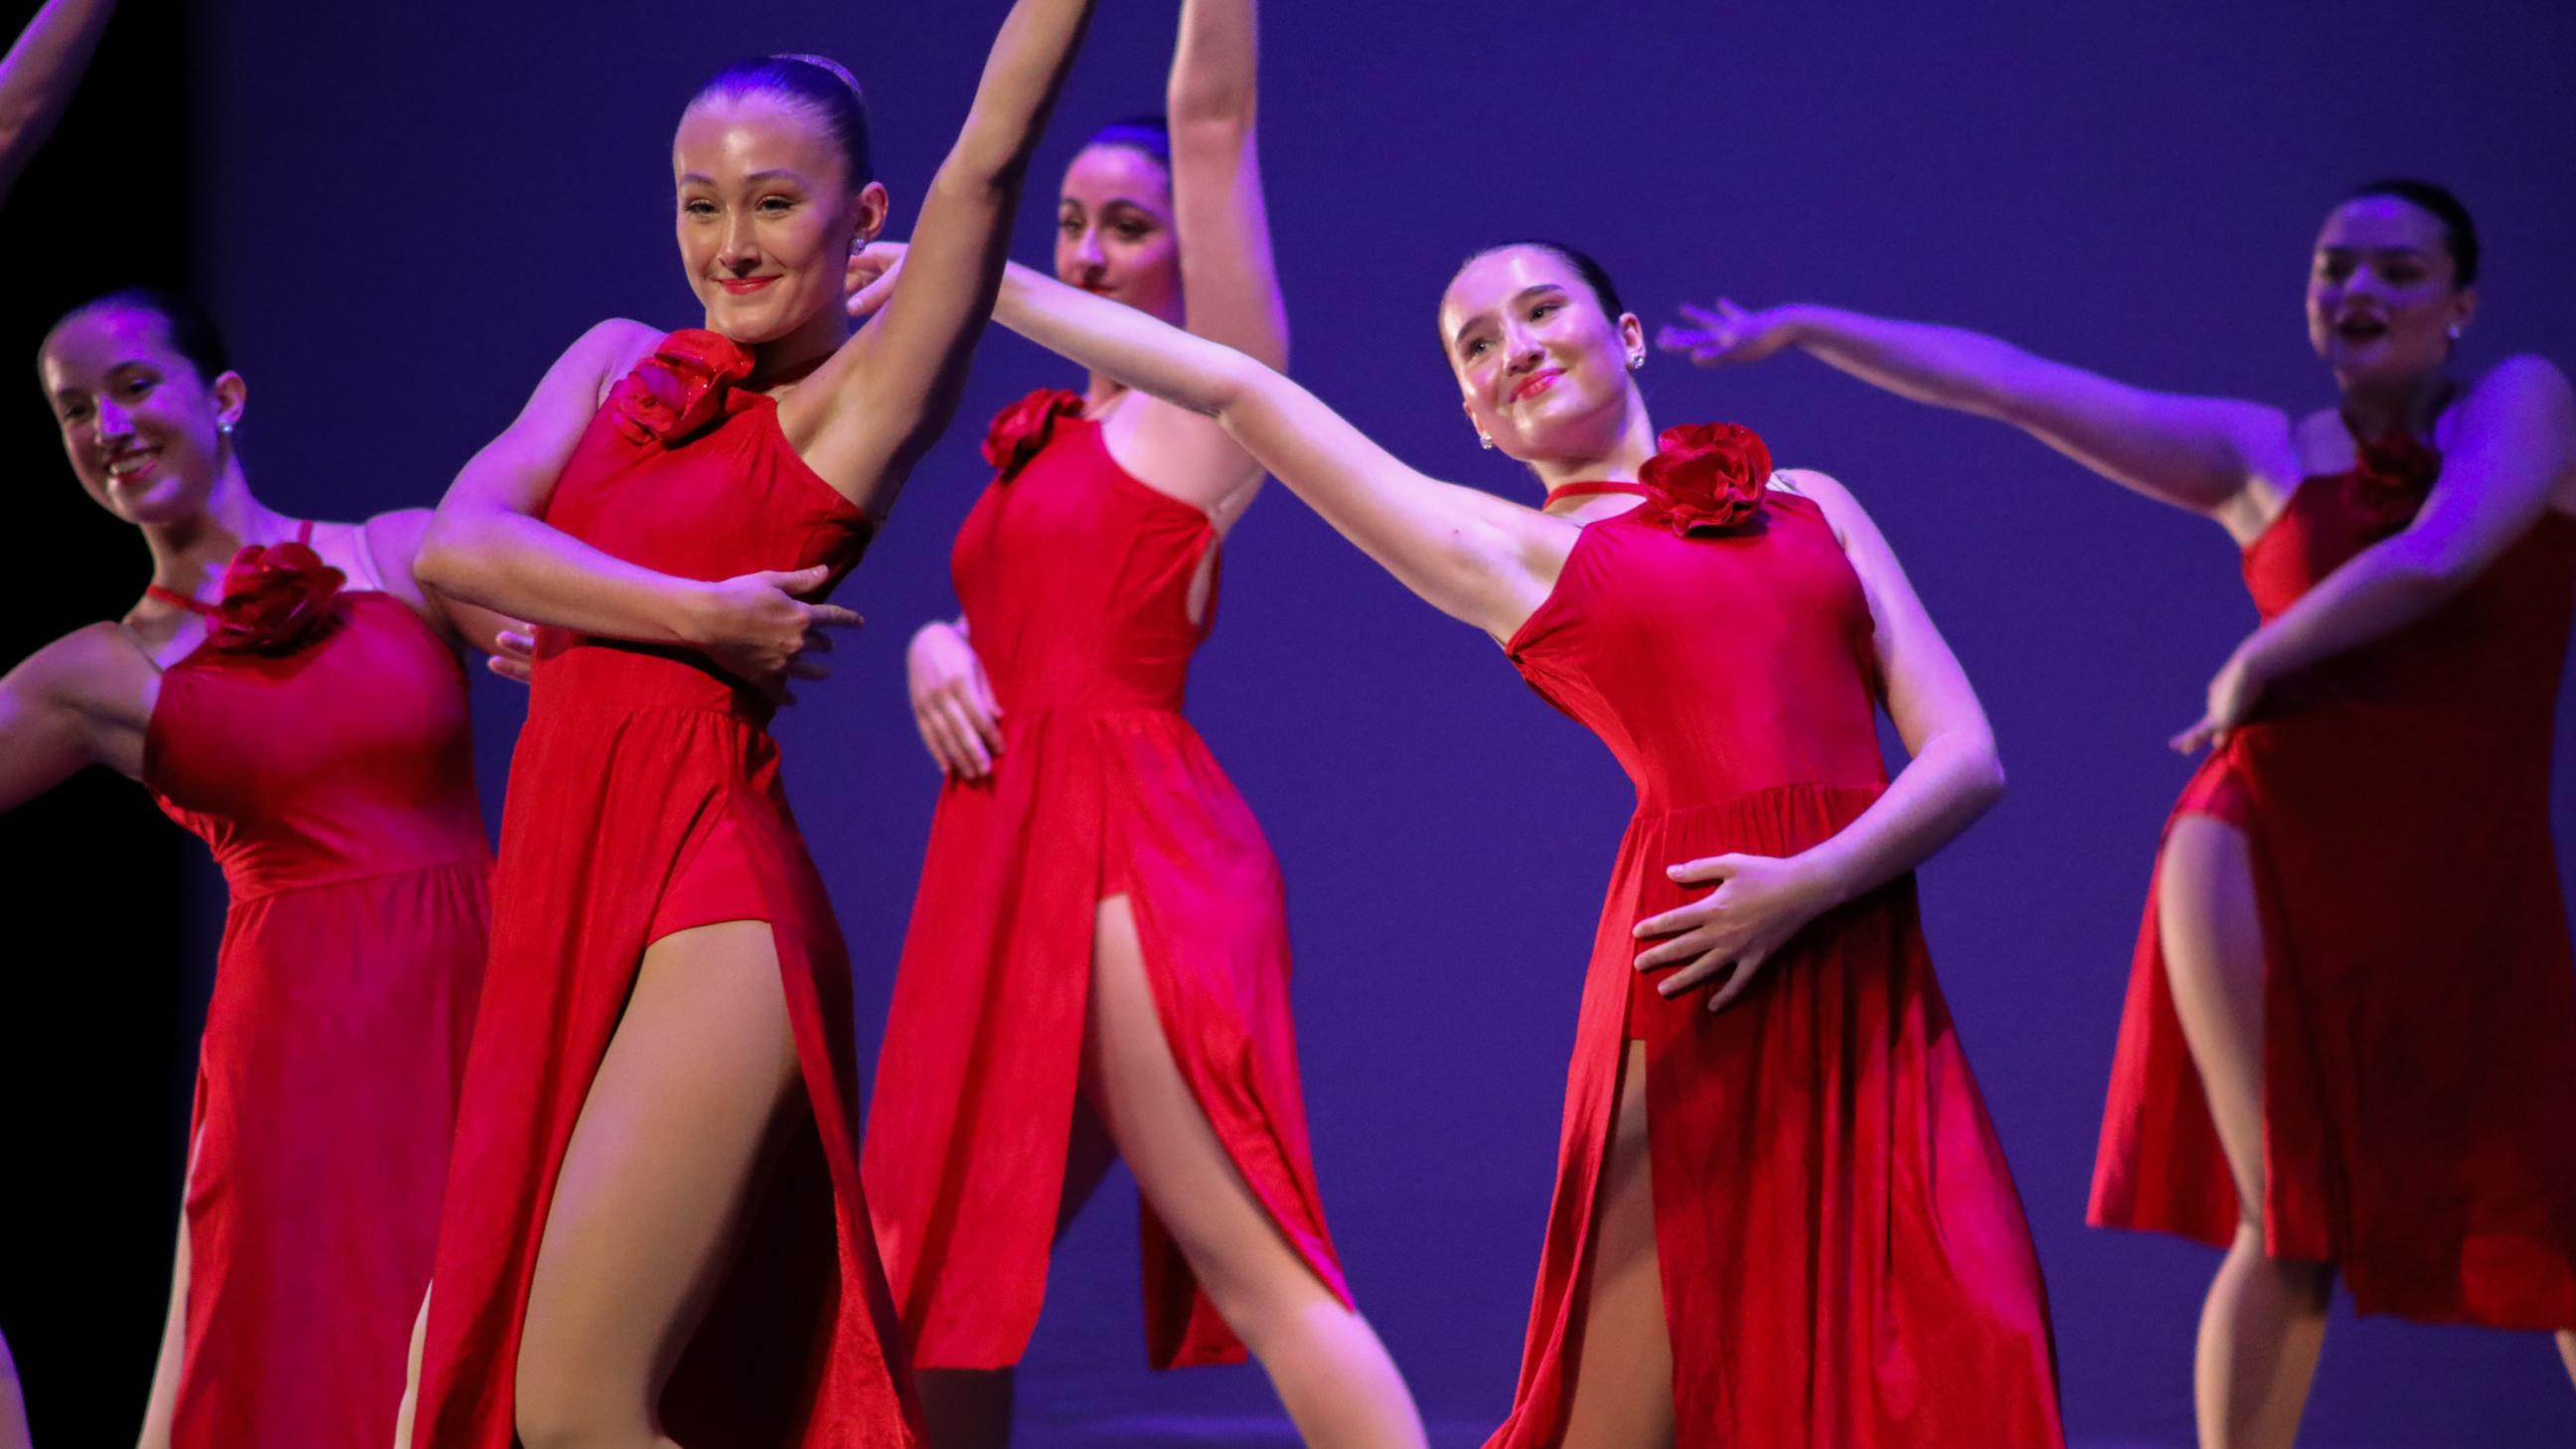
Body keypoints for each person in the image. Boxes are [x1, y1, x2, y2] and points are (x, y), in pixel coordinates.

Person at [857, 234, 2067, 1446]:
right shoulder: (1516, 556)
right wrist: (974, 274)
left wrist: (1807, 886)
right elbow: (1238, 389)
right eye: (1477, 346)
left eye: (1542, 312)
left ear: (1628, 335)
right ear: (1476, 417)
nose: (1515, 349)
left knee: (1968, 1340)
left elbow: (1969, 756)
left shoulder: (1815, 502)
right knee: (1638, 1392)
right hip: (1699, 974)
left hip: (1852, 961)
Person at [1660, 179, 2576, 1446]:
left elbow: (2445, 552)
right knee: (2288, 1219)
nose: (2357, 291)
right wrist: (1813, 324)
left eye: (2397, 271)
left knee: (2556, 1202)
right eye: (2334, 267)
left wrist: (2259, 661)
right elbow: (2013, 382)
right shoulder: (2262, 458)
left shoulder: (2526, 402)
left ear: (2463, 303)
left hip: (2467, 869)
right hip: (2268, 840)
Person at [397, 6, 1094, 1446]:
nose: (733, 243)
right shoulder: (610, 362)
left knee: (577, 1398)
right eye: (702, 204)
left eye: (775, 203)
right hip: (563, 883)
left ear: (864, 216)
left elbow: (987, 159)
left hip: (710, 893)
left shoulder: (858, 396)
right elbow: (458, 544)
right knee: (506, 1387)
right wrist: (701, 612)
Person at [858, 4, 1422, 1444]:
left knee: (1254, 1248)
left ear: (1189, 257)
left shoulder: (1206, 414)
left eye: (1127, 225)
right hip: (1001, 850)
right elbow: (1006, 619)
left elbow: (1215, 126)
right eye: (1073, 221)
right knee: (928, 1282)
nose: (1092, 252)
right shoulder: (1052, 436)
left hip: (1126, 844)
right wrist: (934, 636)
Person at [11, 287, 511, 1447]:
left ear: (225, 398)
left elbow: (589, 640)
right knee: (314, 1364)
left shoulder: (397, 552)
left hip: (475, 1006)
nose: (108, 427)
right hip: (294, 1065)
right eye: (74, 411)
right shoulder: (105, 668)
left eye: (134, 386)